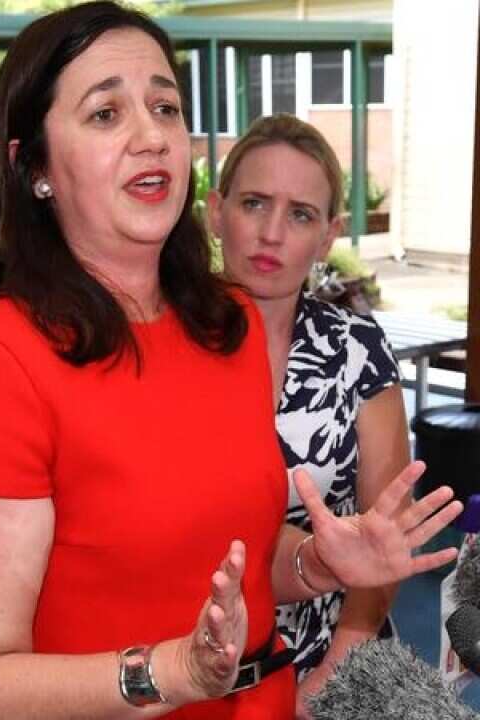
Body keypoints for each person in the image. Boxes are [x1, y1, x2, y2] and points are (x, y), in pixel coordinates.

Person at [0, 3, 459, 719]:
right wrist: (174, 671)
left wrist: (317, 564)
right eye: (106, 114)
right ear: (34, 166)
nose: (151, 137)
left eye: (165, 107)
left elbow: (229, 552)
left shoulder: (220, 323)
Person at [208, 114, 407, 717]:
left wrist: (333, 672)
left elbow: (384, 534)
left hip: (336, 650)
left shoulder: (357, 349)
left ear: (328, 236)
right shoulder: (161, 343)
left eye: (300, 214)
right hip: (194, 658)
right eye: (254, 203)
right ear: (216, 212)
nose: (272, 233)